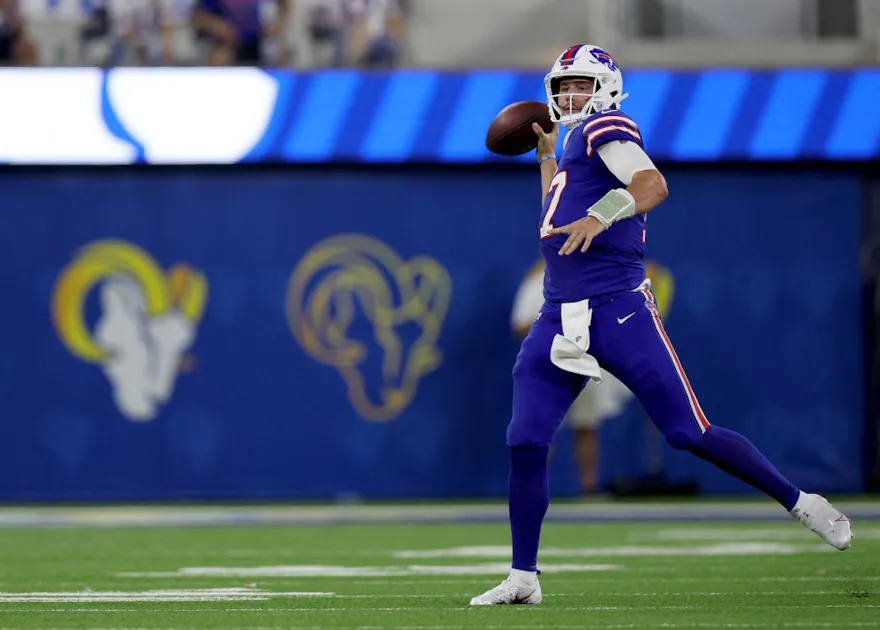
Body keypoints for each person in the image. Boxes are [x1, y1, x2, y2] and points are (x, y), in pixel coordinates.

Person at [470, 43, 852, 606]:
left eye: (580, 85)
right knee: (525, 440)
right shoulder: (574, 142)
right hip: (559, 314)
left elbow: (652, 186)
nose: (571, 96)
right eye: (564, 87)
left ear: (605, 88)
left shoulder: (608, 127)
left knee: (687, 432)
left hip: (618, 307)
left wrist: (601, 215)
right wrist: (547, 159)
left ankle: (803, 502)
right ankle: (524, 578)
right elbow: (558, 213)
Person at [511, 259, 672, 495]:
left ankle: (589, 489)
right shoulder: (537, 282)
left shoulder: (596, 277)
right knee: (541, 429)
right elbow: (519, 326)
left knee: (586, 425)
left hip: (585, 361)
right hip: (548, 364)